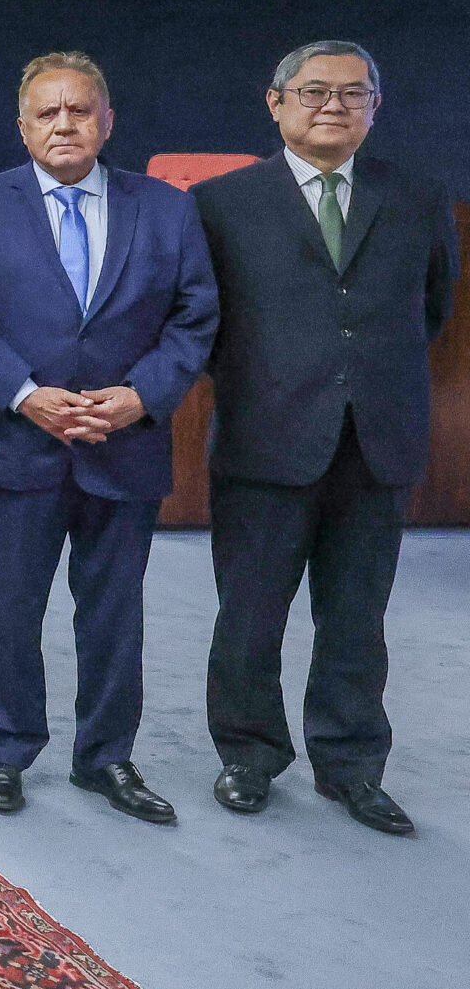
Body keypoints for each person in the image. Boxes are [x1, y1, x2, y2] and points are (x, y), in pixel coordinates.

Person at [0, 52, 217, 823]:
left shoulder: (166, 209)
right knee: (10, 609)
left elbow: (196, 317)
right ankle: (4, 748)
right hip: (15, 442)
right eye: (48, 113)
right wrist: (24, 395)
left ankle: (105, 758)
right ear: (22, 127)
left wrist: (141, 397)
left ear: (107, 120)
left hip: (125, 446)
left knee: (114, 615)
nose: (65, 124)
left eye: (80, 110)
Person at [192, 41, 457, 836]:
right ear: (275, 103)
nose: (332, 107)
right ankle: (249, 754)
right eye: (313, 92)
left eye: (353, 94)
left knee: (356, 616)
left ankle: (350, 766)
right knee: (250, 613)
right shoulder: (220, 203)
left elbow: (432, 309)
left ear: (376, 107)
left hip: (377, 441)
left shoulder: (416, 196)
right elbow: (203, 321)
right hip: (264, 437)